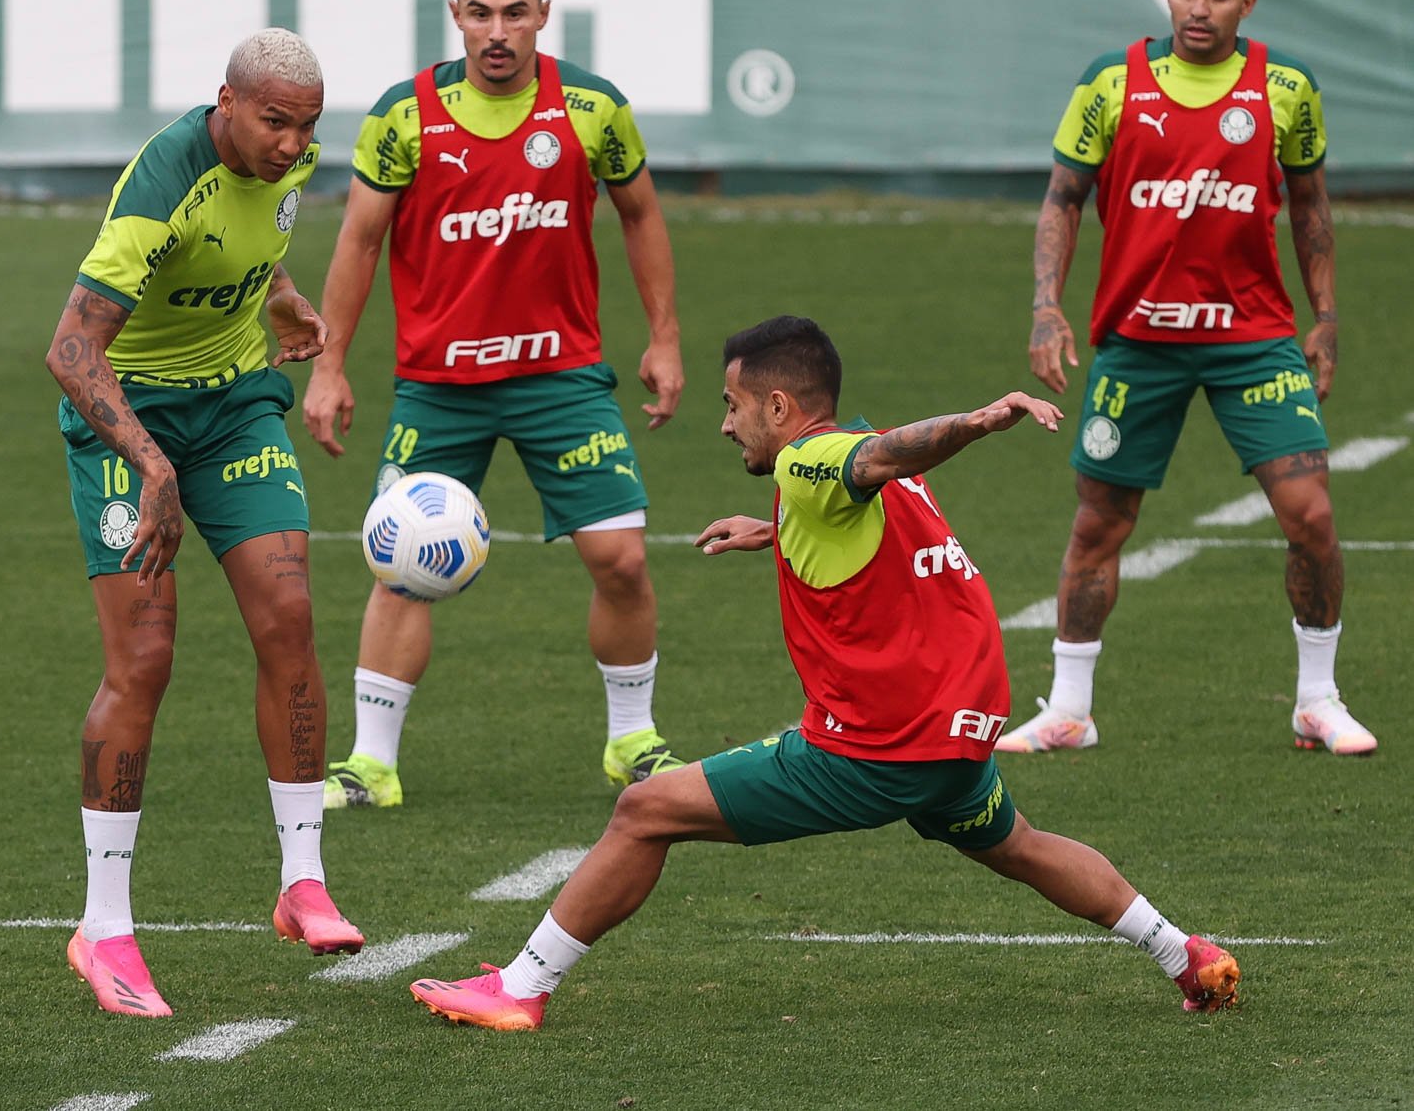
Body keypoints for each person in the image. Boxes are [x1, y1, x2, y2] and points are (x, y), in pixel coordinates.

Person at [406, 316, 1240, 1031]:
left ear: (778, 406)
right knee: (1017, 845)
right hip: (954, 737)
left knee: (644, 809)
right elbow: (864, 509)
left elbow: (879, 455)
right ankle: (1185, 953)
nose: (725, 425)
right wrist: (775, 530)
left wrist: (979, 420)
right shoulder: (830, 482)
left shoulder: (818, 462)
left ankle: (521, 988)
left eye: (732, 405)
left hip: (875, 750)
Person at [302, 0, 686, 809]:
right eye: (480, 13)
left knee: (622, 560)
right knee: (401, 564)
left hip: (562, 377)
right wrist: (330, 367)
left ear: (544, 12)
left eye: (516, 13)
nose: (498, 32)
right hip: (438, 386)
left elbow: (641, 215)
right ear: (456, 14)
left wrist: (664, 338)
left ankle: (633, 742)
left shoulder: (592, 108)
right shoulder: (404, 116)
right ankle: (370, 767)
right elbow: (359, 242)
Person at [45, 28, 363, 1019]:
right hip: (127, 419)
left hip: (233, 409)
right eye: (274, 122)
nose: (293, 144)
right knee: (144, 659)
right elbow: (70, 350)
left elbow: (249, 243)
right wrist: (152, 463)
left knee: (289, 615)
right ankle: (103, 929)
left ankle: (303, 880)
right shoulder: (163, 185)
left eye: (307, 126)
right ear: (225, 103)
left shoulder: (289, 162)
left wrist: (284, 296)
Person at [1000, 0, 1377, 757]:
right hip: (1138, 340)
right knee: (1099, 525)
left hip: (1255, 339)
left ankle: (1317, 700)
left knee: (1311, 514)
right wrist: (1045, 307)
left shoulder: (1285, 87)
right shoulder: (1110, 83)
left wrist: (1325, 317)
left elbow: (1310, 204)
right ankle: (1070, 710)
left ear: (1248, 2)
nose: (1198, 8)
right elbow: (1063, 198)